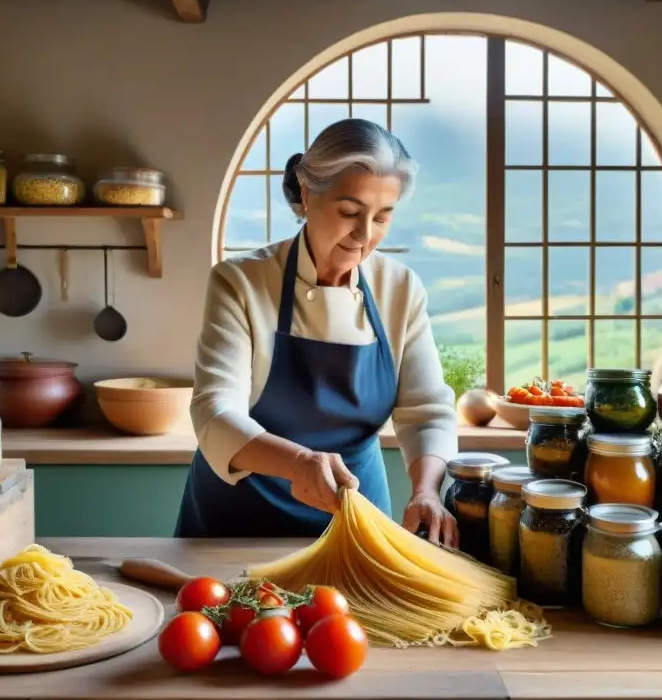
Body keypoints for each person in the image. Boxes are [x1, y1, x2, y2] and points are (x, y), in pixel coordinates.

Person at [175, 118, 459, 546]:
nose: (364, 236)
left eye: (382, 218)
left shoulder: (400, 289)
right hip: (236, 523)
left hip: (355, 519)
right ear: (307, 195)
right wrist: (298, 462)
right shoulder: (241, 282)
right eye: (350, 212)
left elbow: (427, 412)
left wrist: (426, 491)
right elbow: (215, 411)